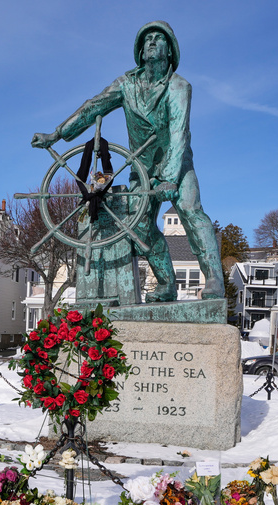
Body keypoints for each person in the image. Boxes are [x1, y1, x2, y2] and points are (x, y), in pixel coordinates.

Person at [32, 20, 224, 302]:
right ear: (139, 49)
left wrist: (171, 177)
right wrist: (57, 134)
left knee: (191, 211)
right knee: (140, 228)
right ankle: (166, 284)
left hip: (177, 165)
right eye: (147, 39)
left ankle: (215, 280)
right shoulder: (126, 84)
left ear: (171, 51)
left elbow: (178, 132)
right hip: (141, 167)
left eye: (159, 38)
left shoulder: (179, 86)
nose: (152, 42)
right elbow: (92, 107)